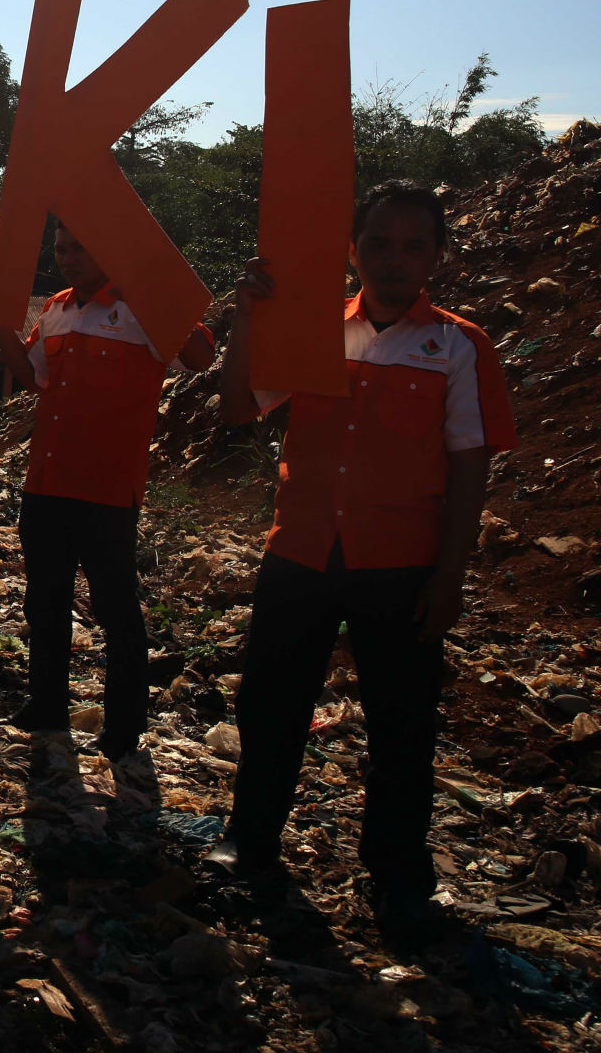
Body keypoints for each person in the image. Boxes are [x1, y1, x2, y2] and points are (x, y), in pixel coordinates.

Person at [207, 181, 516, 942]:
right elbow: (239, 409)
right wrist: (247, 319)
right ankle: (250, 842)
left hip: (400, 563)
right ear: (352, 250)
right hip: (301, 549)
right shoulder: (311, 329)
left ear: (437, 256)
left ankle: (399, 878)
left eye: (413, 246)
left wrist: (451, 575)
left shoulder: (459, 346)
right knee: (270, 706)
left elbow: (470, 466)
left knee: (401, 727)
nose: (393, 260)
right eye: (378, 243)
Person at [0, 219, 216, 759]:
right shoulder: (56, 309)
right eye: (61, 249)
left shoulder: (142, 308)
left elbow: (200, 358)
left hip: (108, 487)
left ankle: (123, 726)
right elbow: (34, 376)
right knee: (44, 600)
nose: (68, 258)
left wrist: (154, 287)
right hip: (47, 479)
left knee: (115, 608)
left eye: (80, 249)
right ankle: (46, 705)